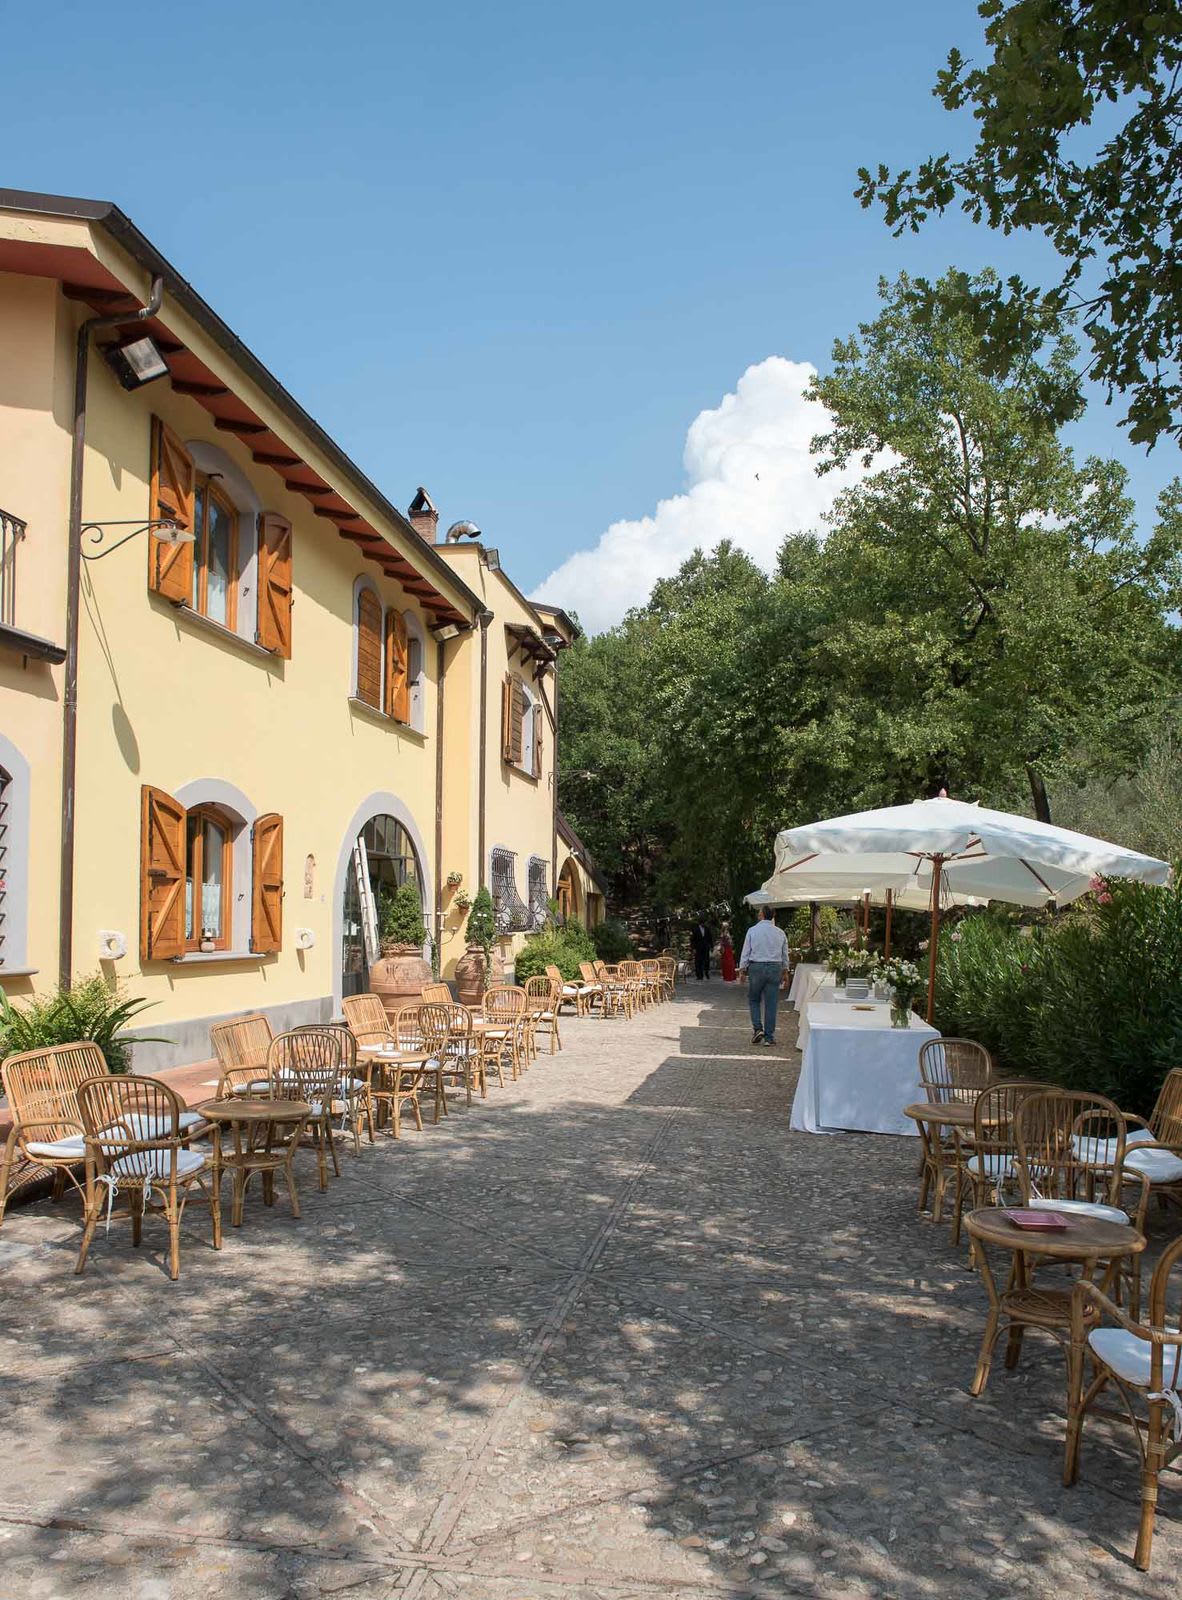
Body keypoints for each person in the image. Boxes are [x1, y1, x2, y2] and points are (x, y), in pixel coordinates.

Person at [739, 906, 789, 1045]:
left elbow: (746, 952)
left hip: (757, 967)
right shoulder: (780, 932)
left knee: (754, 999)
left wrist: (742, 970)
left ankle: (757, 1028)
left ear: (761, 914)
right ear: (773, 915)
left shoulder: (752, 931)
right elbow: (785, 955)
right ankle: (769, 1037)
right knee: (771, 1003)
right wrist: (785, 972)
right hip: (775, 967)